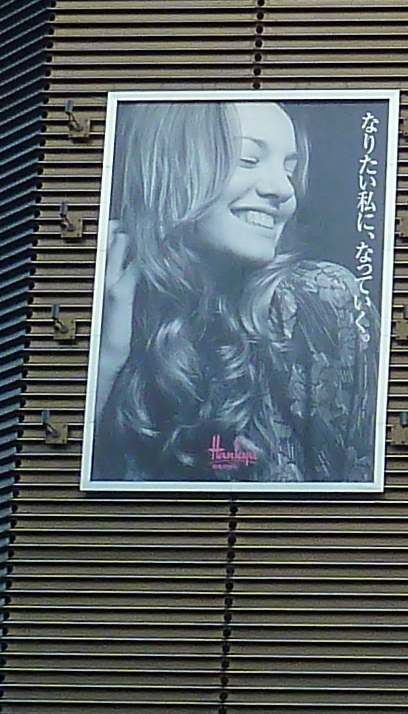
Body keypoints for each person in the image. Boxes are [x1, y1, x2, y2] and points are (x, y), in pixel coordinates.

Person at [85, 97, 381, 487]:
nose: (282, 190)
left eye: (290, 170)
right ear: (169, 167)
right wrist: (104, 360)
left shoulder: (321, 303)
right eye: (248, 159)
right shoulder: (110, 307)